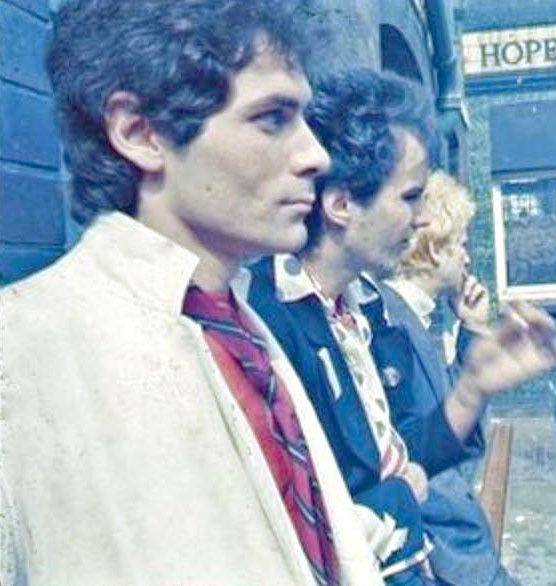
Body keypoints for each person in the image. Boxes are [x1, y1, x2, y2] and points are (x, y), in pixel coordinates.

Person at [0, 1, 385, 584]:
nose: (316, 156)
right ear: (140, 132)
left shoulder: (249, 330)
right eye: (273, 118)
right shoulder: (22, 351)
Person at [248, 68, 556, 585]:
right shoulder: (265, 321)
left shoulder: (364, 308)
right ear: (342, 204)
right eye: (410, 196)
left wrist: (471, 389)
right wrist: (401, 496)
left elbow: (401, 459)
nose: (421, 219)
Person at [381, 171, 520, 586]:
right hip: (446, 555)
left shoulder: (421, 319)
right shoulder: (391, 322)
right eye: (460, 244)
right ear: (434, 247)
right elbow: (433, 445)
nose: (467, 258)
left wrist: (473, 330)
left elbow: (457, 425)